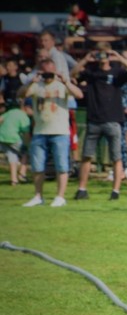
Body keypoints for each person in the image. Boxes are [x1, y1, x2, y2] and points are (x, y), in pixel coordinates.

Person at [71, 43, 127, 201]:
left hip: (113, 120)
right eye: (100, 53)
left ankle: (115, 191)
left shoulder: (117, 72)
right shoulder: (91, 71)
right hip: (94, 120)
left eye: (105, 54)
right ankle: (82, 189)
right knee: (87, 156)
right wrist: (86, 59)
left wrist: (119, 58)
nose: (102, 57)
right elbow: (73, 74)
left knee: (116, 157)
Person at [22, 58, 83, 207]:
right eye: (45, 72)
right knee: (37, 166)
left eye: (51, 72)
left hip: (60, 131)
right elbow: (21, 94)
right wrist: (31, 82)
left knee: (62, 165)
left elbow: (79, 95)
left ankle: (60, 197)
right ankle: (38, 196)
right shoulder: (36, 86)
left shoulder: (61, 85)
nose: (48, 75)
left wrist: (66, 81)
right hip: (40, 131)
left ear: (55, 71)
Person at [0, 99, 31, 186]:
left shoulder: (10, 112)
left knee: (12, 157)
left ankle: (14, 180)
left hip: (2, 138)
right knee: (25, 152)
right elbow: (26, 134)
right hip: (13, 138)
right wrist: (28, 145)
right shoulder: (24, 117)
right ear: (27, 108)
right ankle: (22, 174)